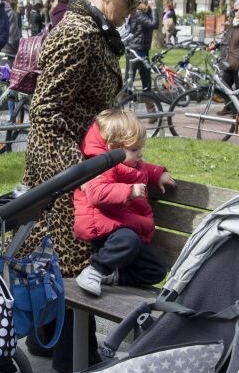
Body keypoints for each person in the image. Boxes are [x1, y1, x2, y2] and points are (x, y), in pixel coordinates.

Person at [20, 0, 151, 373]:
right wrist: (79, 173)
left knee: (53, 254)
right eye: (130, 3)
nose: (131, 12)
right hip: (64, 160)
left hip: (76, 158)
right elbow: (45, 112)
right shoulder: (77, 33)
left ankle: (46, 339)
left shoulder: (93, 30)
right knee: (72, 260)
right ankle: (75, 361)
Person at [73, 109, 174, 296]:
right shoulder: (101, 164)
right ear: (113, 148)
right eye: (135, 150)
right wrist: (129, 191)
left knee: (156, 271)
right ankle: (94, 271)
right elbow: (96, 192)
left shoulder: (129, 162)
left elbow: (143, 169)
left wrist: (158, 174)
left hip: (126, 230)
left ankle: (112, 276)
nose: (140, 154)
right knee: (129, 239)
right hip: (108, 231)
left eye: (141, 148)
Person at [122, 0, 159, 90]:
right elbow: (154, 24)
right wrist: (154, 8)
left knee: (146, 80)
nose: (149, 2)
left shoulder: (144, 12)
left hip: (143, 49)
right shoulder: (137, 13)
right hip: (135, 49)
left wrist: (151, 9)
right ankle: (123, 100)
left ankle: (149, 102)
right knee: (129, 80)